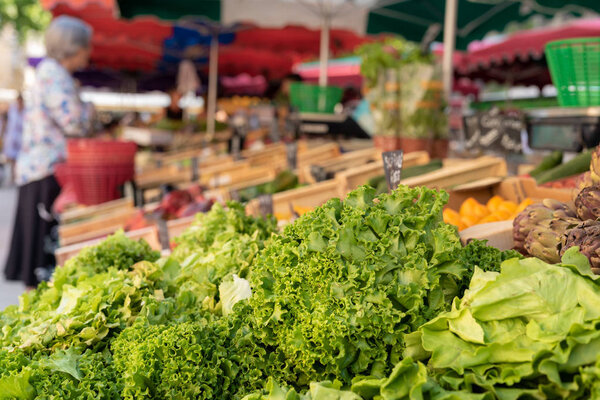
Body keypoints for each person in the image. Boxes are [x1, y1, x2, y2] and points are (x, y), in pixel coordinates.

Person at [5, 16, 93, 288]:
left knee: (38, 247)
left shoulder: (51, 72)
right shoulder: (54, 74)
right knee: (41, 253)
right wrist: (89, 108)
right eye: (86, 47)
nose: (89, 53)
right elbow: (74, 122)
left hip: (39, 166)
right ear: (74, 48)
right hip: (46, 168)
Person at [2, 94, 24, 184]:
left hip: (21, 137)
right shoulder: (12, 110)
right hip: (11, 137)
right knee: (11, 159)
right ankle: (12, 176)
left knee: (19, 158)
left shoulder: (25, 110)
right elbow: (5, 122)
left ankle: (17, 176)